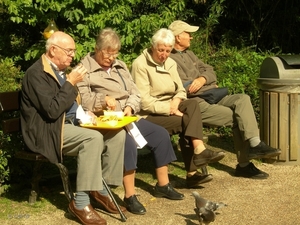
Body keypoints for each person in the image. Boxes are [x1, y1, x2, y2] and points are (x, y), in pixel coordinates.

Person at [20, 31, 126, 225]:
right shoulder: (36, 74)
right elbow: (52, 111)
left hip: (69, 125)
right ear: (53, 50)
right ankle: (81, 202)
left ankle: (102, 189)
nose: (72, 56)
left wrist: (86, 114)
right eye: (69, 51)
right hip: (45, 131)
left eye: (73, 51)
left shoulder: (60, 72)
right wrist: (70, 83)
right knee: (92, 139)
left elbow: (71, 106)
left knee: (116, 133)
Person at [77, 28, 185, 215]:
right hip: (105, 122)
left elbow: (136, 93)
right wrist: (104, 100)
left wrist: (129, 107)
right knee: (127, 142)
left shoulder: (120, 66)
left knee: (159, 134)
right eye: (107, 54)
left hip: (126, 117)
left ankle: (163, 185)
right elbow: (83, 99)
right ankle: (130, 195)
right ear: (96, 49)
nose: (111, 58)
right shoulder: (84, 69)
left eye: (114, 54)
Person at [168, 20, 281, 179]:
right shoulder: (169, 58)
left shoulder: (189, 54)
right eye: (188, 34)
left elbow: (210, 70)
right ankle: (244, 165)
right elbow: (183, 86)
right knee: (237, 118)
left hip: (212, 95)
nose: (191, 38)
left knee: (242, 99)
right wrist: (203, 83)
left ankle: (255, 144)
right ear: (178, 37)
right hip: (196, 102)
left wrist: (203, 79)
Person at [130, 28, 225, 189]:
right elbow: (144, 102)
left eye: (167, 51)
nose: (164, 54)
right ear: (153, 47)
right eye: (161, 50)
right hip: (148, 114)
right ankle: (192, 173)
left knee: (193, 104)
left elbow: (181, 89)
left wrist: (177, 99)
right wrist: (170, 108)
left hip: (171, 104)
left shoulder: (170, 62)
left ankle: (198, 150)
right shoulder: (140, 64)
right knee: (186, 121)